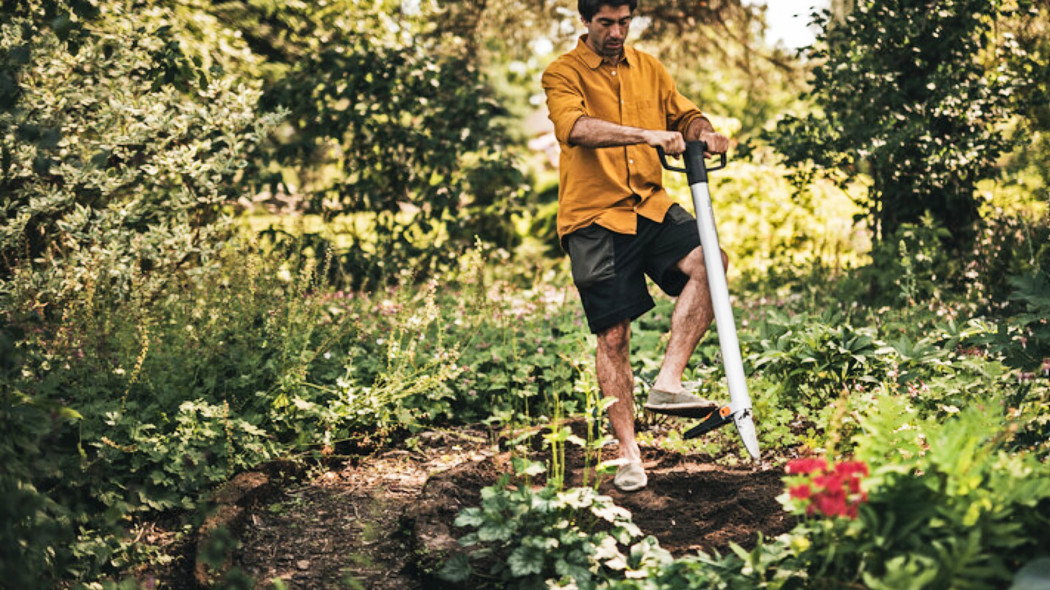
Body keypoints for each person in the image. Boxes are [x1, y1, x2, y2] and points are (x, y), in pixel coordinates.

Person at [541, 0, 731, 492]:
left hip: (649, 204)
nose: (617, 32)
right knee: (614, 337)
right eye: (606, 22)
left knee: (712, 261)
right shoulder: (562, 73)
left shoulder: (648, 67)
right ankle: (629, 455)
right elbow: (576, 128)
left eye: (624, 22)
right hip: (593, 219)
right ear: (586, 21)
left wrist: (703, 132)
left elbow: (685, 114)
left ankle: (667, 384)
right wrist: (646, 134)